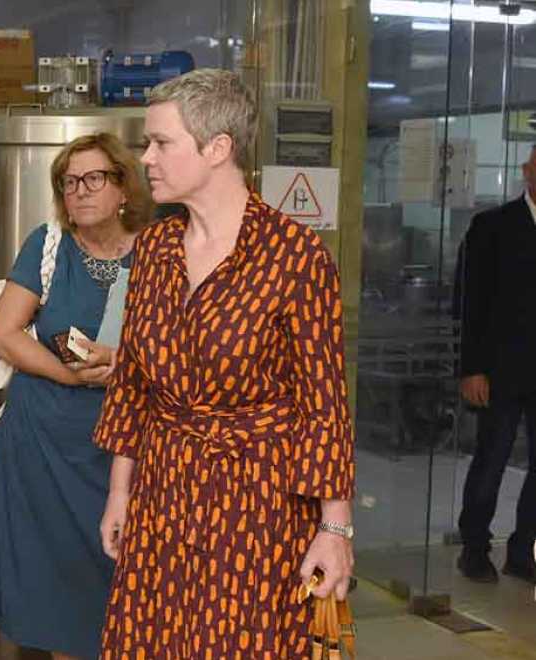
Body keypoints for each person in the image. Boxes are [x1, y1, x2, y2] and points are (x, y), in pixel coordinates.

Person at [93, 69, 356, 659]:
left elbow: (324, 404)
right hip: (162, 493)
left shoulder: (295, 256)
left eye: (161, 143)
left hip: (257, 503)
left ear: (217, 148)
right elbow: (132, 381)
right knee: (151, 642)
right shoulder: (155, 249)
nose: (146, 158)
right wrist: (119, 492)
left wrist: (334, 529)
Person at [0, 132, 152, 660]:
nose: (79, 191)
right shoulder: (48, 245)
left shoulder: (159, 251)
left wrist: (119, 365)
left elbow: (182, 348)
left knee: (125, 579)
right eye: (69, 183)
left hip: (126, 447)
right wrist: (71, 376)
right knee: (57, 588)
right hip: (44, 442)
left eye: (93, 179)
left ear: (124, 187)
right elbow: (4, 334)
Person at [452, 144, 536, 584]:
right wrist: (471, 368)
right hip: (499, 371)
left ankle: (524, 551)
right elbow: (468, 303)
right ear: (527, 171)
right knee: (492, 461)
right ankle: (474, 548)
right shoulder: (492, 227)